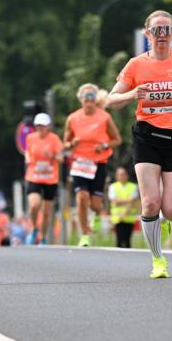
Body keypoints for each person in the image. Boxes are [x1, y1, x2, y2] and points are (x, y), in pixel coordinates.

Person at [107, 9, 172, 278]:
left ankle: (163, 223)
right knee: (150, 203)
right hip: (147, 136)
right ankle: (158, 260)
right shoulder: (135, 64)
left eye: (166, 30)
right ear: (147, 34)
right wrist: (131, 93)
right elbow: (109, 100)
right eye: (156, 30)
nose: (161, 36)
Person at [63, 83, 121, 247]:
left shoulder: (104, 117)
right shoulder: (72, 118)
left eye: (92, 97)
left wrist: (104, 146)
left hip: (98, 163)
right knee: (82, 198)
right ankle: (84, 234)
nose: (89, 100)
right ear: (80, 99)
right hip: (80, 163)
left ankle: (95, 214)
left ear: (95, 99)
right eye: (86, 97)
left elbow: (117, 139)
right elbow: (65, 144)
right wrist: (72, 143)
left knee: (96, 204)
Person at [24, 112, 64, 245]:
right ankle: (34, 228)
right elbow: (27, 152)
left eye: (43, 126)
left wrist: (51, 156)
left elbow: (61, 158)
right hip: (34, 176)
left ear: (48, 127)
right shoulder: (30, 138)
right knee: (34, 205)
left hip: (50, 179)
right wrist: (28, 159)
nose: (41, 128)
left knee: (47, 212)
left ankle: (43, 237)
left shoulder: (54, 139)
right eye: (38, 126)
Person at [108, 166, 139, 248]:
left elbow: (133, 201)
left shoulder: (133, 186)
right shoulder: (113, 187)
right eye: (120, 174)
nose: (122, 176)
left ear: (127, 175)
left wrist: (121, 202)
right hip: (117, 218)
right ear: (116, 176)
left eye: (123, 174)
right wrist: (128, 200)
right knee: (119, 241)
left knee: (128, 241)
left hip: (129, 218)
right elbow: (114, 200)